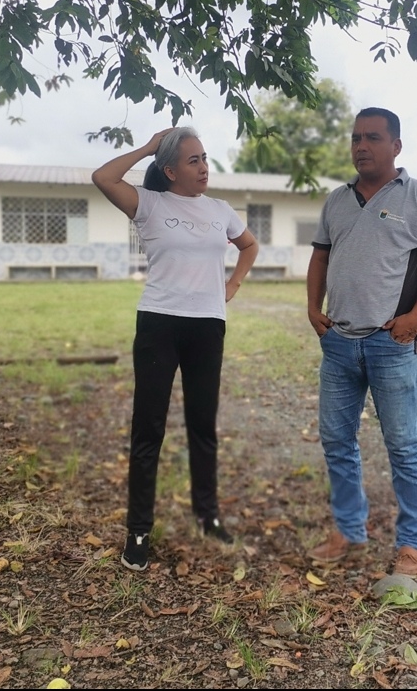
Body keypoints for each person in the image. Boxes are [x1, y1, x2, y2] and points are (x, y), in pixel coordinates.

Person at [92, 126, 259, 572]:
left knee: (203, 426)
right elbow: (103, 177)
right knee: (148, 429)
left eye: (204, 158)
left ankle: (208, 516)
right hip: (159, 324)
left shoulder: (220, 210)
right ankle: (138, 531)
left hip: (208, 325)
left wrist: (233, 284)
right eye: (193, 160)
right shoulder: (149, 204)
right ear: (170, 170)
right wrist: (149, 146)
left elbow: (249, 245)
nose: (204, 167)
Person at [306, 107, 417, 578]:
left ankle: (412, 544)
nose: (361, 146)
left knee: (404, 446)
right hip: (338, 343)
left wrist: (416, 317)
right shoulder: (336, 201)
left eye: (372, 137)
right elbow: (320, 257)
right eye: (356, 138)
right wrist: (312, 308)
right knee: (336, 440)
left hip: (391, 345)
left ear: (396, 146)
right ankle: (349, 530)